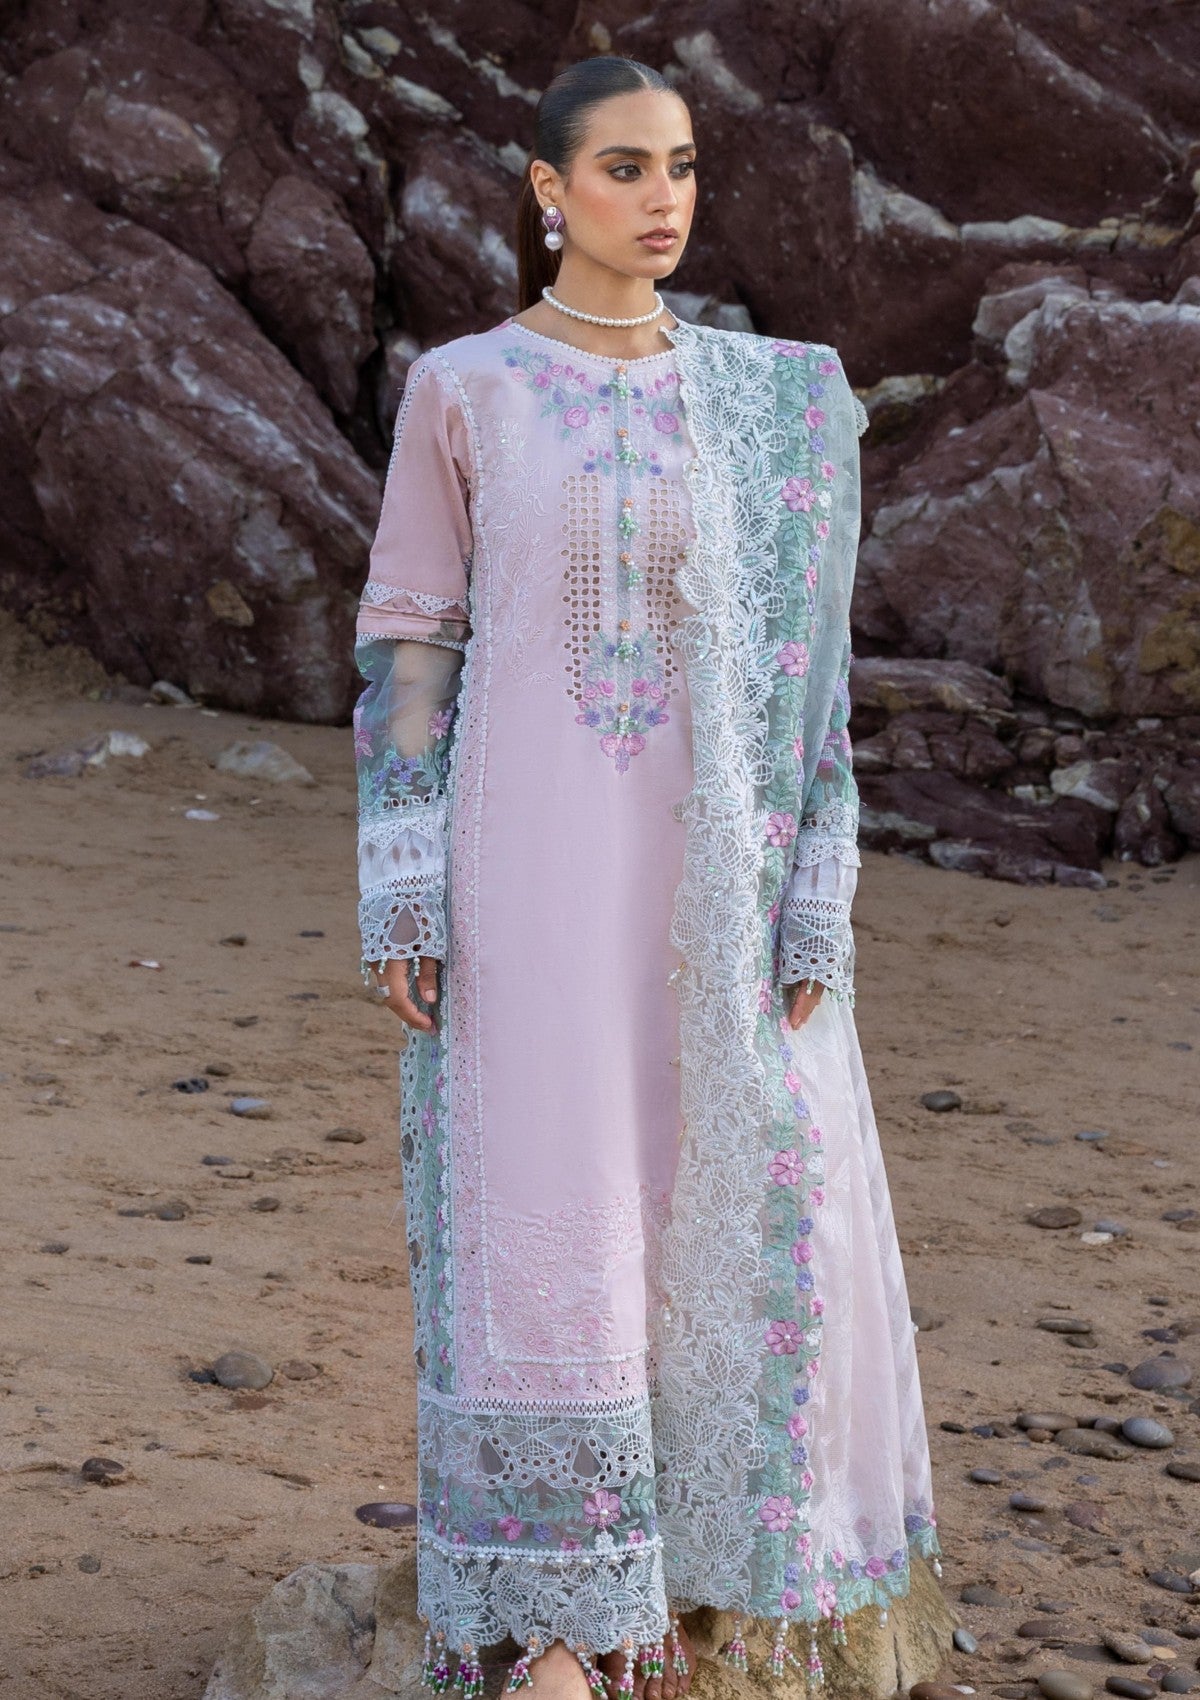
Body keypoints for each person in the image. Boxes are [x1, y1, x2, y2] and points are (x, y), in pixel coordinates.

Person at [353, 53, 941, 1700]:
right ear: (550, 190)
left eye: (680, 165)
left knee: (708, 1181)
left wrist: (815, 885)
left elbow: (815, 670)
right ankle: (562, 1616)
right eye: (623, 167)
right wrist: (400, 876)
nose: (662, 197)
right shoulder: (465, 389)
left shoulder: (769, 404)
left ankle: (690, 1575)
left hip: (710, 873)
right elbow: (411, 642)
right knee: (549, 1198)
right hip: (524, 864)